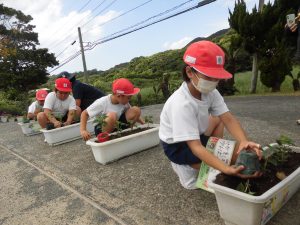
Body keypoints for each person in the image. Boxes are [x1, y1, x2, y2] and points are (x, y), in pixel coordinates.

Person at [159, 40, 262, 190]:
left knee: (235, 151)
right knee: (227, 163)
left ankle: (213, 155)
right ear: (189, 72)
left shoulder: (210, 92)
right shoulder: (181, 104)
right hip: (177, 146)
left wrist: (244, 141)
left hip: (196, 136)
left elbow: (228, 118)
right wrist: (225, 169)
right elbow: (195, 147)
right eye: (209, 76)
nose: (214, 82)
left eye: (217, 76)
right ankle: (185, 164)